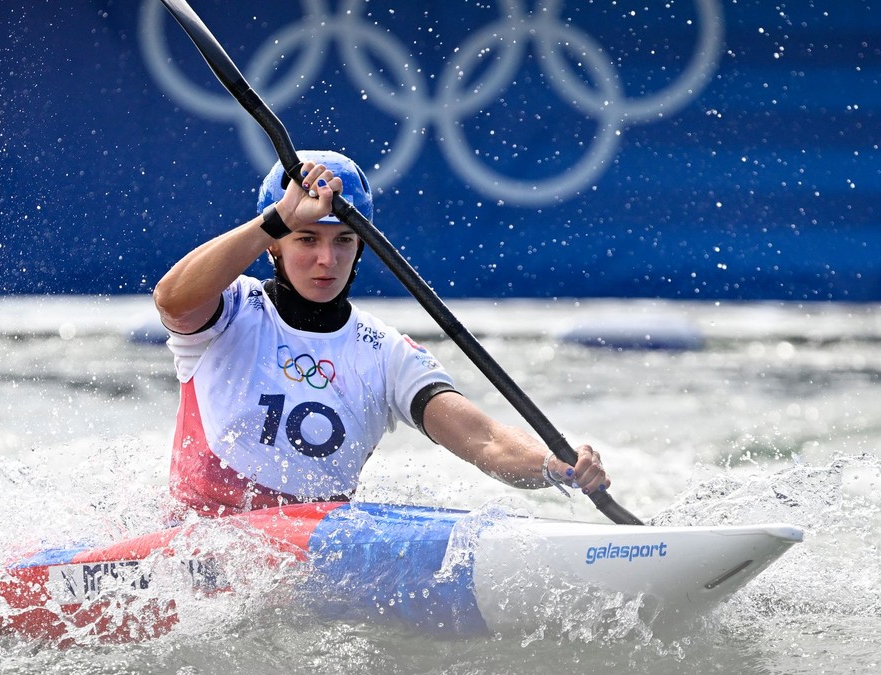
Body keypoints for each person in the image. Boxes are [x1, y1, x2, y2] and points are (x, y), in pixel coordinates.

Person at [152, 150, 611, 516]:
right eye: (307, 239)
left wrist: (554, 464)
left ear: (362, 245)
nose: (327, 261)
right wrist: (276, 217)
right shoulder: (233, 308)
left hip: (309, 554)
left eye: (343, 241)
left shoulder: (385, 352)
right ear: (274, 243)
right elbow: (172, 300)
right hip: (197, 537)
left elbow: (485, 438)